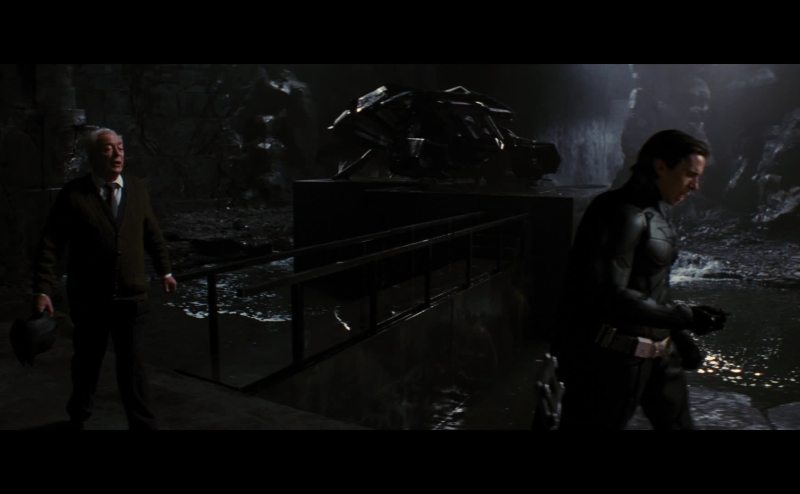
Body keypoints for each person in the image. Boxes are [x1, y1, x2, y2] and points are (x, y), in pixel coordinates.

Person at [554, 129, 727, 430]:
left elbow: (652, 285)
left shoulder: (657, 213)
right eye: (689, 174)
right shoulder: (618, 212)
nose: (695, 186)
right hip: (611, 363)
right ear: (661, 167)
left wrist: (679, 335)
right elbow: (610, 294)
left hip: (661, 357)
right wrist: (684, 317)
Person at [32, 127, 177, 430]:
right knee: (87, 362)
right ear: (93, 156)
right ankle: (78, 417)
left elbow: (152, 233)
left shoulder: (136, 189)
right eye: (108, 149)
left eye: (120, 148)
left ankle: (143, 426)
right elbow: (51, 244)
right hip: (90, 298)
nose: (117, 154)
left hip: (131, 295)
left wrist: (165, 270)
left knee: (133, 367)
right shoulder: (74, 194)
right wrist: (43, 289)